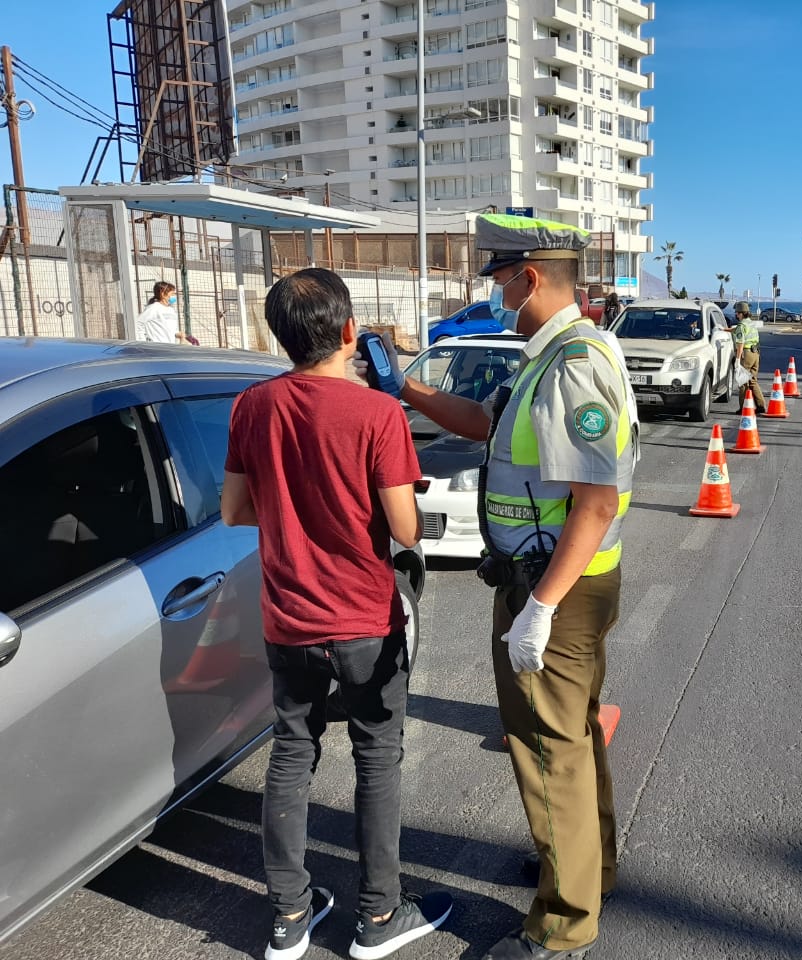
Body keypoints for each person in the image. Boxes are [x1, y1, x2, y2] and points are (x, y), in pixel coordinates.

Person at [357, 214, 637, 960]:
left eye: (502, 280)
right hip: (558, 582)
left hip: (555, 589)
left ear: (531, 278)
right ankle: (587, 868)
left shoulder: (574, 363)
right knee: (570, 740)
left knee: (548, 750)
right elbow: (487, 422)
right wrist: (406, 390)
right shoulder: (550, 355)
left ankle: (562, 924)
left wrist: (539, 608)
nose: (498, 293)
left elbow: (597, 501)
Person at [221, 268, 453, 960]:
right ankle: (379, 919)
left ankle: (290, 916)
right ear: (350, 332)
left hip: (287, 619)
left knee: (292, 750)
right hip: (361, 619)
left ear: (281, 337)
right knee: (376, 757)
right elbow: (406, 530)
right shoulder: (377, 414)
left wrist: (296, 513)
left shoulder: (251, 406)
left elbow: (235, 509)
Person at [730, 301, 765, 413]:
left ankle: (743, 407)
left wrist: (738, 359)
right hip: (756, 353)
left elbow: (740, 343)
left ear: (740, 313)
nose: (736, 315)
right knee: (753, 381)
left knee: (743, 382)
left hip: (747, 354)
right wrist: (725, 329)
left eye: (737, 313)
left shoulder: (741, 326)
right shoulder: (750, 324)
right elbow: (736, 330)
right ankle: (760, 406)